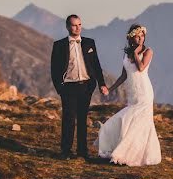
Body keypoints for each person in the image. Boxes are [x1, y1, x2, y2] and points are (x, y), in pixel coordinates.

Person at [95, 24, 162, 166]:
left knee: (139, 124)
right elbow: (123, 75)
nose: (140, 39)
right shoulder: (126, 54)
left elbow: (141, 67)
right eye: (137, 36)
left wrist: (137, 53)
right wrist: (110, 89)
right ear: (131, 38)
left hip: (144, 93)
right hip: (132, 94)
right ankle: (119, 150)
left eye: (142, 35)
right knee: (123, 121)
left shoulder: (148, 51)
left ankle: (128, 154)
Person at [50, 15, 109, 159]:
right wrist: (60, 88)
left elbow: (96, 65)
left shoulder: (89, 43)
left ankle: (82, 152)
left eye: (80, 24)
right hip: (68, 87)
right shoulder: (59, 45)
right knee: (69, 119)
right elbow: (54, 69)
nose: (78, 28)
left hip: (86, 86)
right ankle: (66, 151)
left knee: (83, 120)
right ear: (67, 27)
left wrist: (101, 84)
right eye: (74, 25)